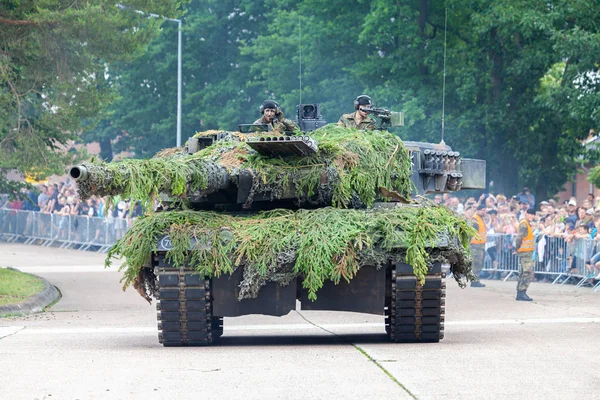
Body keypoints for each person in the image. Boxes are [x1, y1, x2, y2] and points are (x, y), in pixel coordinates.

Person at [515, 208, 536, 301]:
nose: (531, 216)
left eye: (533, 214)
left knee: (523, 272)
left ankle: (520, 293)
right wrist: (517, 248)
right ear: (526, 213)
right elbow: (519, 237)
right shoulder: (524, 224)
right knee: (527, 272)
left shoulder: (526, 223)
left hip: (526, 251)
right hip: (525, 251)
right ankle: (522, 291)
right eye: (530, 214)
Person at [469, 204, 487, 287]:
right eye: (482, 210)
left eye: (484, 210)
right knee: (476, 263)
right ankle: (474, 281)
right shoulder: (475, 219)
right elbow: (470, 232)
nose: (484, 212)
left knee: (479, 263)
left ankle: (476, 280)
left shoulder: (480, 219)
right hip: (475, 246)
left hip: (480, 245)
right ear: (478, 210)